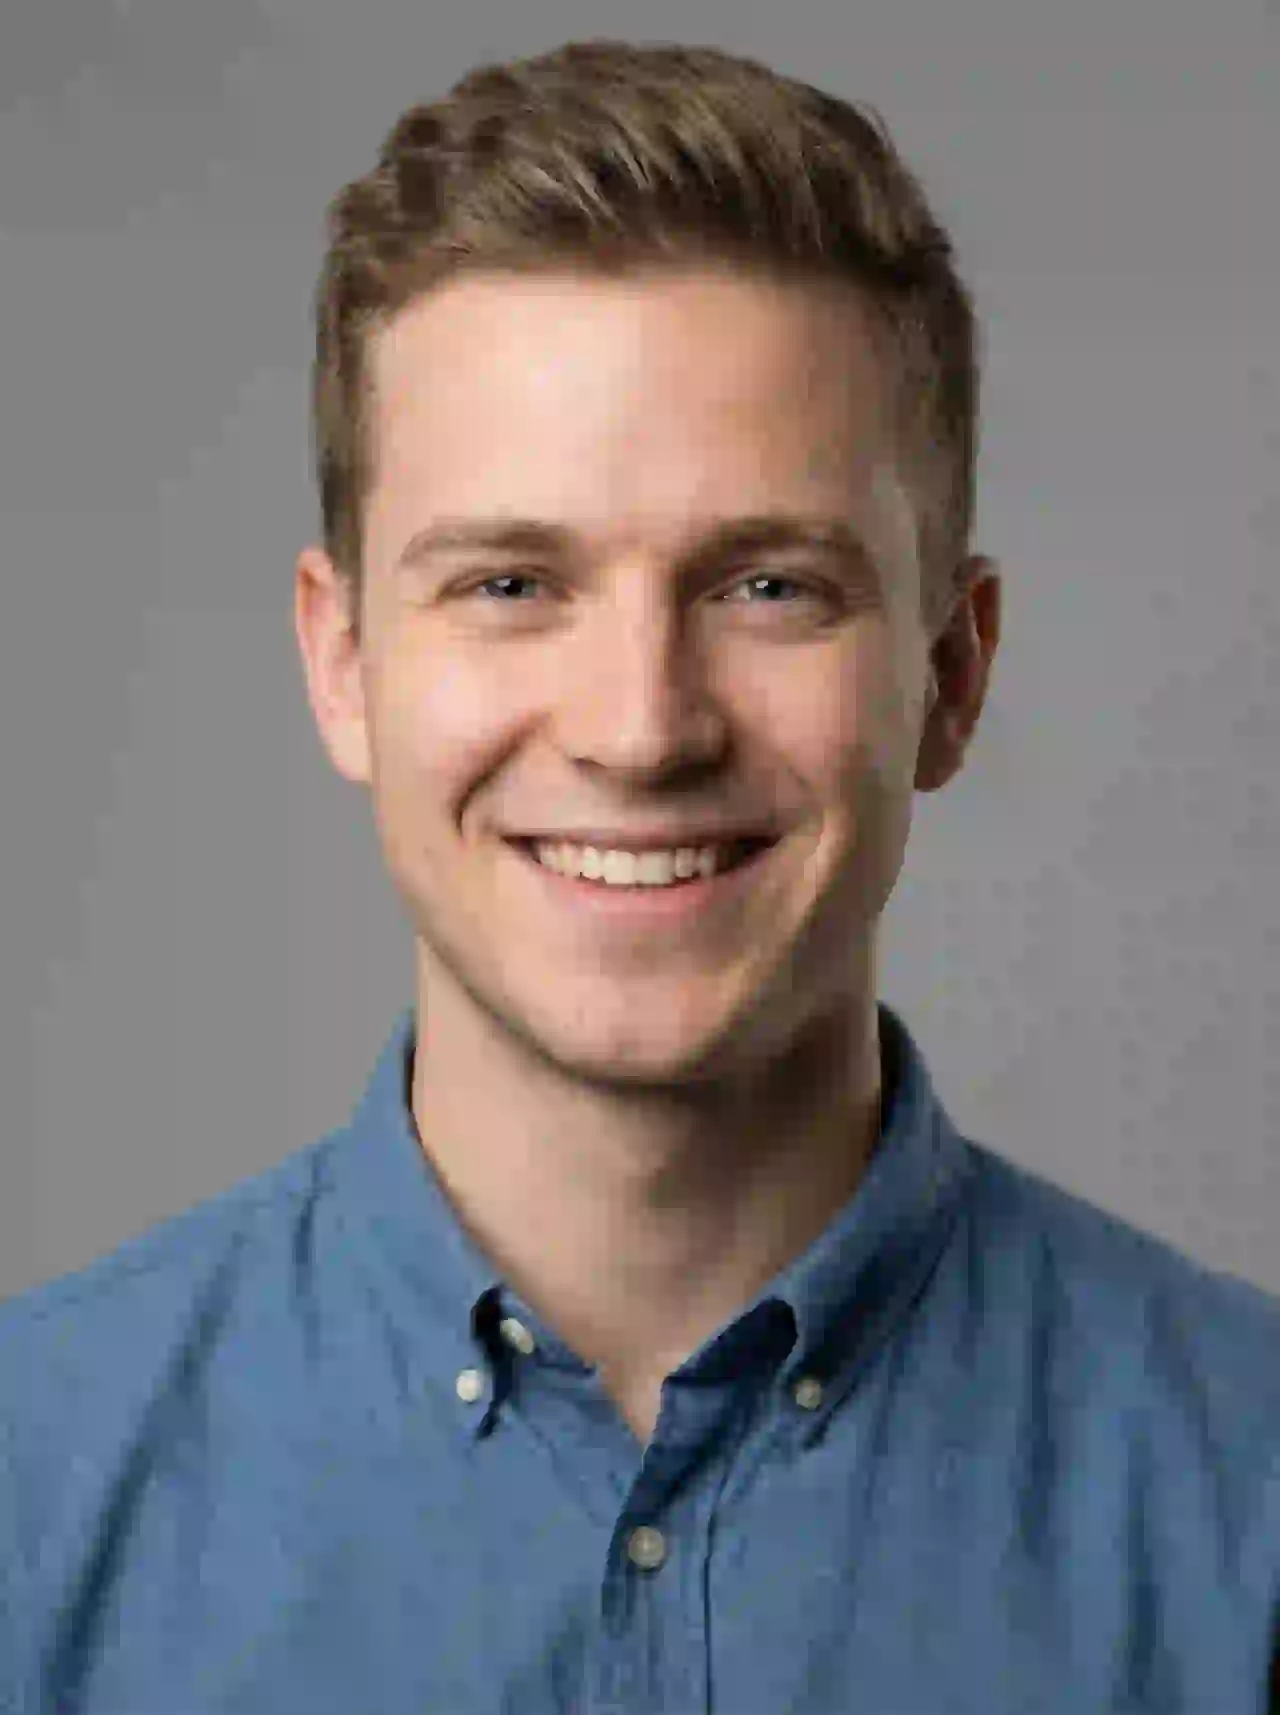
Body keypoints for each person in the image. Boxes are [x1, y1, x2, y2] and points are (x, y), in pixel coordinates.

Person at [2, 37, 1277, 1715]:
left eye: (765, 586)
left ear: (953, 673)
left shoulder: (1250, 1497)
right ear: (342, 662)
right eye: (514, 582)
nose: (640, 728)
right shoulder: (30, 1491)